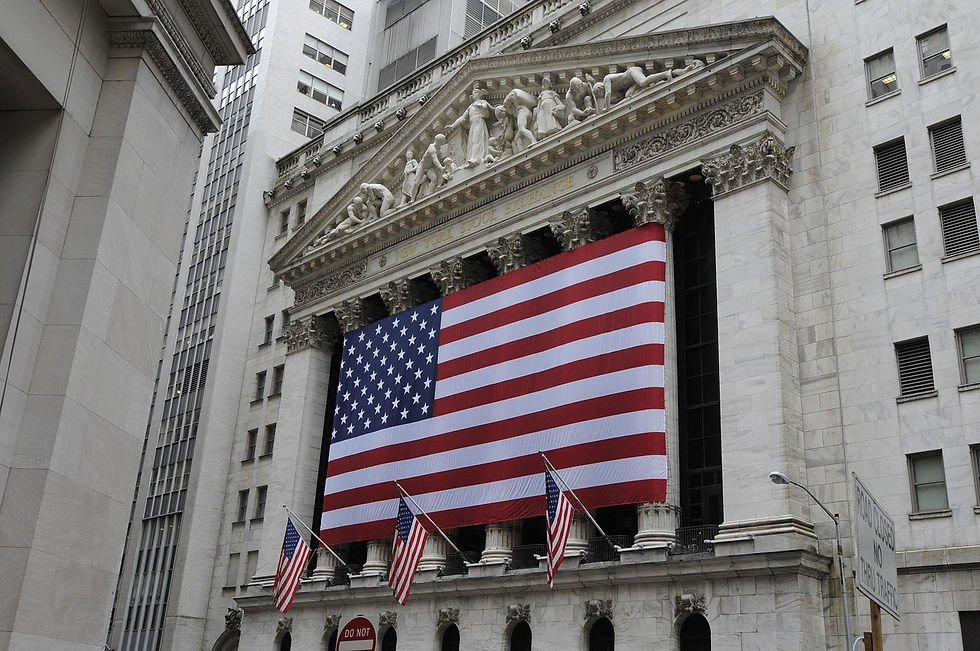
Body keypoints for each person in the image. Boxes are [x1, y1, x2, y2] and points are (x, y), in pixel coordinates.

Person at [449, 86, 495, 167]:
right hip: (473, 125)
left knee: (476, 140)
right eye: (473, 93)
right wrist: (452, 126)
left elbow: (488, 112)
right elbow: (462, 118)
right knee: (473, 141)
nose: (473, 95)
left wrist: (482, 106)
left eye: (475, 93)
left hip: (479, 122)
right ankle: (473, 157)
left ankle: (475, 158)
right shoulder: (470, 106)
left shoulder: (482, 101)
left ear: (479, 94)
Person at [411, 134, 449, 200]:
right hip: (422, 166)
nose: (442, 144)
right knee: (416, 182)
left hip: (429, 168)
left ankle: (429, 194)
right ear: (439, 142)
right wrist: (441, 167)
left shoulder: (439, 151)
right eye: (442, 143)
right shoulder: (432, 148)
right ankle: (412, 199)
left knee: (434, 179)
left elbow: (439, 160)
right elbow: (435, 160)